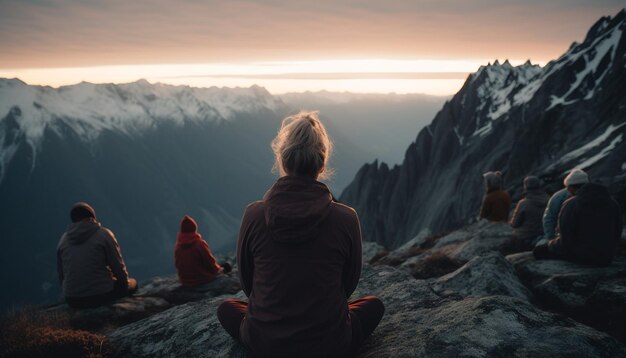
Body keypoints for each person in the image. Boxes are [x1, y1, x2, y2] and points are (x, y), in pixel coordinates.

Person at [217, 111, 384, 357]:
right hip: (330, 344)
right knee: (374, 305)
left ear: (283, 160)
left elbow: (248, 284)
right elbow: (348, 284)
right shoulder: (346, 218)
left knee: (226, 309)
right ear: (322, 163)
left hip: (264, 342)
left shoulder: (253, 215)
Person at [57, 202, 137, 308]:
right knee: (133, 283)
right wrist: (124, 285)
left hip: (73, 299)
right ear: (92, 217)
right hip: (101, 295)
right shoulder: (104, 234)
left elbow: (61, 274)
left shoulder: (63, 240)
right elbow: (118, 267)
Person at [533, 182, 622, 266]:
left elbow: (566, 239)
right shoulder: (613, 204)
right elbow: (618, 231)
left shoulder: (572, 204)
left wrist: (551, 244)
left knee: (539, 251)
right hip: (606, 257)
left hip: (581, 257)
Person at [175, 215, 230, 291]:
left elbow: (178, 265)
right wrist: (220, 270)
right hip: (201, 280)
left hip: (185, 281)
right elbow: (210, 263)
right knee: (226, 266)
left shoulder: (178, 246)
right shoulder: (199, 244)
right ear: (194, 228)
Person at [539, 168, 588, 245]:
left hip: (566, 239)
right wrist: (552, 239)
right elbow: (549, 219)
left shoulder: (558, 197)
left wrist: (552, 241)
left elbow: (548, 218)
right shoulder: (559, 197)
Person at [509, 176, 549, 252]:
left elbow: (514, 224)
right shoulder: (549, 200)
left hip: (526, 238)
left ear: (526, 187)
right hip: (544, 235)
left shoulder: (523, 203)